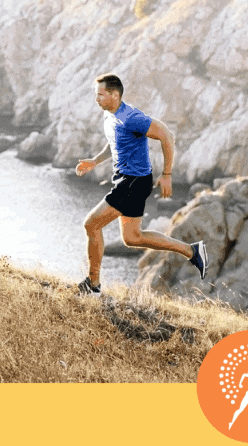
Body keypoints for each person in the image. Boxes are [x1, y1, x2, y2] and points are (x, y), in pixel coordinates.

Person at [75, 73, 207, 295]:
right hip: (126, 180)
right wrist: (95, 161)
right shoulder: (109, 115)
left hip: (133, 182)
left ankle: (93, 285)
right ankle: (192, 251)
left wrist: (166, 174)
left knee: (92, 225)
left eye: (100, 94)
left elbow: (167, 135)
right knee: (132, 238)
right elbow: (114, 143)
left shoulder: (131, 117)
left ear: (114, 95)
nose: (96, 99)